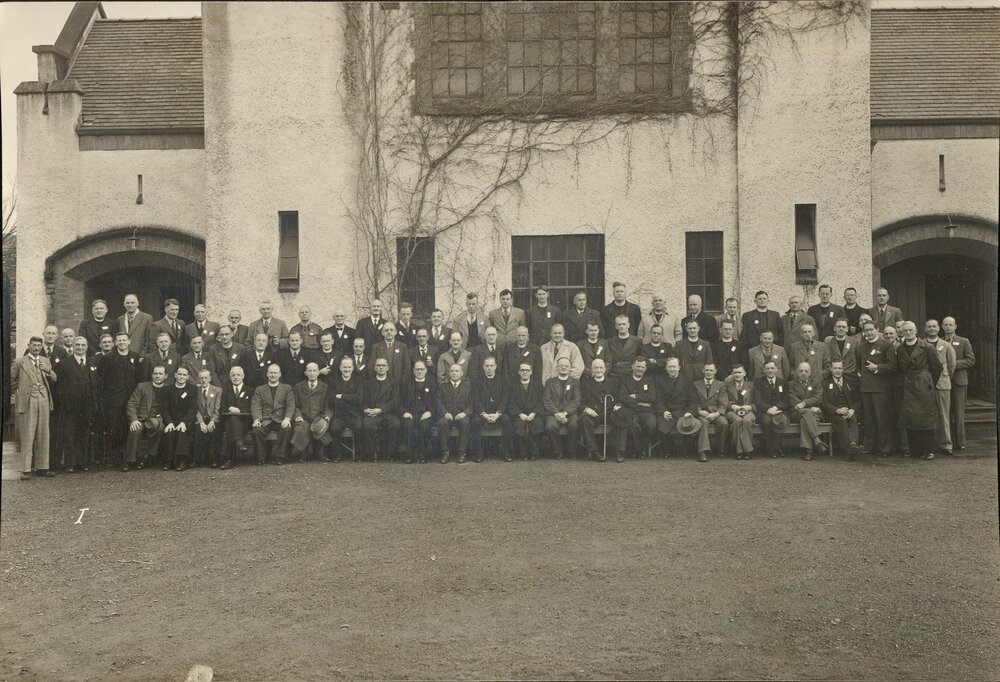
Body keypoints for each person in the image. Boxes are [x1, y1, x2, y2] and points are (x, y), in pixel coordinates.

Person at [895, 321, 943, 460]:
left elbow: (937, 368)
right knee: (911, 418)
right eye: (905, 330)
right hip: (908, 385)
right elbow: (900, 368)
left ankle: (928, 450)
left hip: (923, 386)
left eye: (911, 330)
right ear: (902, 332)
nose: (908, 333)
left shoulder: (927, 347)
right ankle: (915, 450)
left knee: (926, 418)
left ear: (916, 330)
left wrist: (928, 382)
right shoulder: (900, 348)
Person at [11, 336, 57, 479]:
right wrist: (19, 393)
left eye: (39, 346)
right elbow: (10, 380)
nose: (37, 348)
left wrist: (47, 370)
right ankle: (25, 469)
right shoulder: (19, 362)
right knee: (28, 434)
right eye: (34, 345)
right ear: (29, 345)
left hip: (43, 399)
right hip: (28, 400)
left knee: (44, 434)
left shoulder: (45, 360)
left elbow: (55, 378)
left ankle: (42, 467)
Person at [97, 332, 142, 468]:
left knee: (129, 428)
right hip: (114, 400)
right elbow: (101, 379)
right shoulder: (107, 358)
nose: (122, 342)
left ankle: (127, 458)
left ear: (129, 342)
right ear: (115, 343)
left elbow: (138, 378)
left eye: (124, 340)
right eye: (119, 340)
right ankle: (113, 457)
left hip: (131, 399)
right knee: (114, 428)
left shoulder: (135, 356)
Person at [855, 320, 897, 458]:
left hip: (881, 388)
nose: (868, 332)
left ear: (877, 329)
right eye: (866, 330)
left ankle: (885, 448)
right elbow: (858, 365)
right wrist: (858, 373)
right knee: (868, 419)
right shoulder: (860, 347)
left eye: (871, 329)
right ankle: (870, 447)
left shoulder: (886, 345)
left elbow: (893, 365)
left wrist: (877, 368)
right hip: (866, 388)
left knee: (882, 419)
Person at [58, 336, 94, 472]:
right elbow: (60, 386)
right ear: (73, 346)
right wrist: (65, 403)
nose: (80, 347)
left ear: (86, 347)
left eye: (83, 345)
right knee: (70, 434)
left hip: (87, 405)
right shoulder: (64, 364)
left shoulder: (92, 362)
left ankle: (82, 462)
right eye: (77, 345)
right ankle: (70, 463)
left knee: (84, 433)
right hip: (70, 406)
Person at [250, 364, 295, 465]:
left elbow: (290, 405)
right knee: (256, 431)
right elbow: (256, 406)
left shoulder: (287, 388)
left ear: (280, 374)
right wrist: (257, 419)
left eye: (275, 373)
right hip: (266, 419)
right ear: (267, 374)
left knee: (287, 429)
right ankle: (261, 457)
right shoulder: (260, 389)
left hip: (280, 419)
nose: (273, 375)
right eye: (271, 373)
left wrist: (287, 419)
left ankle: (280, 457)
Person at [124, 364, 166, 471]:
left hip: (158, 419)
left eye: (160, 374)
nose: (157, 376)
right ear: (152, 375)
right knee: (136, 429)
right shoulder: (142, 386)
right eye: (155, 373)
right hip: (141, 419)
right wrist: (134, 420)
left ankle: (147, 458)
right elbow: (132, 404)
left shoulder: (168, 389)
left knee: (160, 428)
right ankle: (129, 461)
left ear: (165, 376)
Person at [941, 316, 975, 451]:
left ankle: (960, 442)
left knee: (959, 413)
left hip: (959, 381)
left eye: (950, 324)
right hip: (944, 381)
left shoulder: (963, 341)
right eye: (945, 325)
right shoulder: (940, 342)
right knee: (946, 412)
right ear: (942, 327)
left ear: (955, 326)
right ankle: (947, 441)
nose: (948, 327)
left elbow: (971, 360)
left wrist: (953, 364)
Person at [924, 319, 956, 456]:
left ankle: (946, 444)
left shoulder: (946, 345)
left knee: (944, 414)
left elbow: (952, 365)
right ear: (925, 329)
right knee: (927, 414)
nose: (932, 329)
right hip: (925, 385)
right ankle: (930, 445)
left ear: (938, 328)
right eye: (929, 326)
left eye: (934, 326)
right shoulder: (922, 344)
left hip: (942, 384)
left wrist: (945, 377)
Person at [617, 356, 659, 460]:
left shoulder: (649, 380)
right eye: (638, 366)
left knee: (651, 424)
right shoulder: (625, 380)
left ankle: (643, 447)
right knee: (632, 425)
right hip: (630, 410)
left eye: (642, 367)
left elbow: (652, 397)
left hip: (646, 411)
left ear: (645, 368)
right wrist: (640, 403)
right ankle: (638, 450)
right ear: (632, 366)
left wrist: (635, 396)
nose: (640, 369)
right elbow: (623, 397)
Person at [653, 357, 695, 459]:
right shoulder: (659, 380)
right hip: (667, 410)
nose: (672, 369)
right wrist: (663, 411)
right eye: (670, 367)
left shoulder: (687, 380)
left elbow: (693, 400)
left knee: (689, 424)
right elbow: (657, 399)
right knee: (661, 423)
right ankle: (667, 451)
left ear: (679, 367)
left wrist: (689, 412)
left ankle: (685, 451)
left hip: (682, 411)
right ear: (666, 368)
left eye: (674, 366)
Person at [360, 357, 400, 462]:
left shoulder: (393, 382)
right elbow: (362, 399)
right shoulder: (368, 383)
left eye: (383, 365)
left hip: (387, 413)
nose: (381, 367)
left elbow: (395, 400)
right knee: (367, 424)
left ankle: (390, 453)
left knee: (395, 424)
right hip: (372, 413)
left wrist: (381, 410)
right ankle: (373, 453)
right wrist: (366, 409)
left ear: (387, 367)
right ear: (374, 368)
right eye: (378, 365)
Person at [472, 356, 511, 462]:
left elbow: (505, 399)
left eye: (491, 366)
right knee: (475, 421)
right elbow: (476, 400)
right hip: (483, 412)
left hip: (498, 412)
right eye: (487, 366)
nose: (489, 368)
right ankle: (478, 454)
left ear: (496, 366)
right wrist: (483, 414)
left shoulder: (503, 380)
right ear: (483, 367)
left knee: (507, 420)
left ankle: (506, 452)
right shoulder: (477, 381)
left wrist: (498, 414)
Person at [325, 356, 364, 462]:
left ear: (353, 368)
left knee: (359, 427)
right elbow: (331, 399)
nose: (347, 370)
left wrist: (342, 396)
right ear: (340, 368)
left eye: (349, 367)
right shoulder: (333, 381)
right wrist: (350, 399)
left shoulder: (358, 381)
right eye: (344, 367)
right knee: (334, 428)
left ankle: (359, 455)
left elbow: (359, 399)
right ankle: (336, 455)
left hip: (354, 414)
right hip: (339, 414)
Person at [161, 366, 199, 471]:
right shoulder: (167, 390)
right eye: (180, 374)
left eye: (184, 375)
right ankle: (168, 461)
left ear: (188, 377)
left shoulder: (192, 389)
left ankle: (182, 461)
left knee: (183, 431)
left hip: (187, 420)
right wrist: (169, 422)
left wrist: (184, 422)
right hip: (171, 420)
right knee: (169, 432)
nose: (181, 377)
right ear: (175, 375)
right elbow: (164, 409)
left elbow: (193, 408)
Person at [787, 362, 827, 460]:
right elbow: (793, 401)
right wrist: (810, 408)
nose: (803, 373)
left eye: (806, 371)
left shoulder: (816, 383)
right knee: (808, 413)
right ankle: (816, 440)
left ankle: (809, 451)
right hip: (797, 413)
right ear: (797, 372)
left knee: (804, 420)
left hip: (813, 415)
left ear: (810, 373)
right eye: (801, 371)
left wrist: (804, 403)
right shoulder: (791, 384)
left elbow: (818, 398)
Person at [543, 357, 581, 460]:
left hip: (570, 413)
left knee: (574, 425)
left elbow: (576, 400)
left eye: (566, 366)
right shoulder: (549, 382)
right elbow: (547, 399)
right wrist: (556, 413)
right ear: (557, 367)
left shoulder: (575, 382)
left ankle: (572, 451)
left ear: (570, 368)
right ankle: (557, 451)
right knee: (550, 426)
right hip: (553, 413)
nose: (563, 367)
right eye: (561, 366)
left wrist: (565, 413)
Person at [822, 360, 861, 460]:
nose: (837, 370)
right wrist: (837, 410)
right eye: (835, 368)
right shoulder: (825, 384)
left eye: (840, 368)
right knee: (841, 421)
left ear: (843, 369)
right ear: (831, 369)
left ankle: (853, 446)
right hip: (834, 413)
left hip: (849, 411)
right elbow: (824, 403)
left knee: (853, 418)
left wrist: (852, 409)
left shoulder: (850, 383)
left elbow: (859, 400)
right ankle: (846, 449)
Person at [400, 360, 437, 464]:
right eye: (417, 369)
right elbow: (400, 401)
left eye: (421, 369)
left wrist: (430, 412)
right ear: (413, 371)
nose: (419, 371)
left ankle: (422, 455)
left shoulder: (432, 383)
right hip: (411, 414)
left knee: (424, 426)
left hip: (426, 414)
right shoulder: (407, 384)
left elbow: (437, 401)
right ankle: (410, 455)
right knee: (408, 425)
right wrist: (405, 412)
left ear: (426, 370)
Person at [291, 363, 329, 462]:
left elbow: (329, 405)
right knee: (300, 428)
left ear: (318, 372)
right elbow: (294, 405)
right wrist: (297, 415)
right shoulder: (298, 387)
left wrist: (327, 416)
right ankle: (302, 453)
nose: (312, 373)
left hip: (319, 417)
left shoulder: (325, 387)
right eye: (309, 371)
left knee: (322, 427)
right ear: (305, 373)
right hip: (304, 417)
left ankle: (321, 453)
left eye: (314, 370)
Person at [580, 358, 616, 461]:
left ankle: (618, 451)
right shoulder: (586, 383)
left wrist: (617, 406)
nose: (598, 370)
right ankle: (594, 451)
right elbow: (581, 402)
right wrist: (587, 409)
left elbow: (619, 399)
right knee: (584, 419)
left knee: (620, 417)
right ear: (592, 369)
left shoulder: (613, 382)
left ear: (605, 369)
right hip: (594, 414)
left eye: (601, 367)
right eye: (596, 368)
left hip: (608, 414)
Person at [508, 362, 545, 461]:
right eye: (522, 370)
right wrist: (520, 414)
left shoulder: (537, 385)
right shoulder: (513, 385)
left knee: (538, 424)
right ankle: (522, 453)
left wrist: (534, 413)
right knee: (519, 425)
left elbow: (541, 401)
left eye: (527, 370)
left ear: (531, 372)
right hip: (519, 414)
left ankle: (534, 452)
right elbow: (510, 402)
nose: (525, 372)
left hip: (534, 413)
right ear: (518, 372)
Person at [753, 360, 789, 458]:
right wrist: (769, 409)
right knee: (767, 421)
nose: (770, 370)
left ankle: (778, 447)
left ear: (776, 369)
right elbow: (758, 400)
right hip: (764, 411)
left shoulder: (783, 382)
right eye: (767, 368)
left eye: (772, 368)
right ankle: (770, 449)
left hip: (779, 410)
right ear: (764, 370)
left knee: (780, 420)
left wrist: (776, 407)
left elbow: (786, 400)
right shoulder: (758, 382)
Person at [692, 362, 728, 461]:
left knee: (723, 423)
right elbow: (693, 401)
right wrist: (699, 411)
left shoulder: (721, 385)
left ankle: (720, 449)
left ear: (715, 371)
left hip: (716, 413)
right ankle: (703, 452)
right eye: (707, 370)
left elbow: (723, 402)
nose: (709, 372)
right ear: (703, 371)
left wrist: (716, 414)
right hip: (702, 413)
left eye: (711, 370)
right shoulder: (696, 384)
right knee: (703, 423)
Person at [437, 363, 472, 463]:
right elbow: (438, 402)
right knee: (442, 423)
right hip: (447, 415)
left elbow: (472, 403)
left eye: (457, 371)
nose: (454, 373)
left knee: (465, 423)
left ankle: (462, 453)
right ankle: (445, 452)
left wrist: (464, 413)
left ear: (462, 373)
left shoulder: (468, 387)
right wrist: (445, 413)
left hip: (462, 415)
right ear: (449, 373)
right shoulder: (442, 386)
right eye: (452, 371)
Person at [219, 366, 252, 468]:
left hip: (244, 423)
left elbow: (252, 408)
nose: (236, 377)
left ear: (243, 376)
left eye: (238, 375)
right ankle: (239, 444)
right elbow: (222, 408)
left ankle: (228, 459)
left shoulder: (250, 390)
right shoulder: (225, 391)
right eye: (233, 375)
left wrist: (239, 411)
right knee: (232, 421)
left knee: (232, 424)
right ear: (230, 377)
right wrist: (230, 408)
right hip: (228, 422)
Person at [723, 364, 755, 460]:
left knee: (746, 421)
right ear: (732, 374)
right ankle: (739, 450)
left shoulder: (751, 385)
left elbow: (757, 401)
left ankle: (747, 450)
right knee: (737, 421)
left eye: (739, 372)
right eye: (735, 373)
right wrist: (732, 406)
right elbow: (723, 400)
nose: (737, 375)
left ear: (744, 373)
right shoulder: (727, 386)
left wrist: (749, 407)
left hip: (748, 411)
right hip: (732, 411)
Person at [192, 369, 222, 468]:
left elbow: (217, 408)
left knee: (214, 430)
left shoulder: (217, 390)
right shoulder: (195, 390)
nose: (203, 380)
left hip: (213, 418)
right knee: (198, 430)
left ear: (210, 378)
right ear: (198, 379)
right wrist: (201, 422)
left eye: (205, 378)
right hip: (200, 418)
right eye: (201, 378)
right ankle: (197, 459)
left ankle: (214, 459)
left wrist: (212, 421)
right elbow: (195, 408)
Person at [823, 318, 857, 385]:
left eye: (843, 327)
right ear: (834, 328)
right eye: (839, 326)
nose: (841, 329)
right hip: (833, 376)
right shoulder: (828, 343)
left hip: (851, 376)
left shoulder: (854, 342)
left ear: (847, 329)